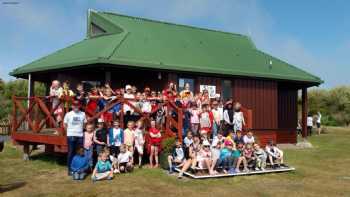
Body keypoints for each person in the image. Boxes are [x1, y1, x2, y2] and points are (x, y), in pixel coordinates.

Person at [64, 100, 87, 175]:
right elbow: (65, 124)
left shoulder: (83, 114)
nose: (76, 107)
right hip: (71, 135)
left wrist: (81, 130)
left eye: (77, 105)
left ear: (79, 106)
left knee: (80, 152)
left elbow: (84, 123)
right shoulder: (68, 114)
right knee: (70, 152)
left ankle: (79, 168)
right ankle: (70, 169)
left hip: (79, 135)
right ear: (72, 106)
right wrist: (69, 131)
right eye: (74, 105)